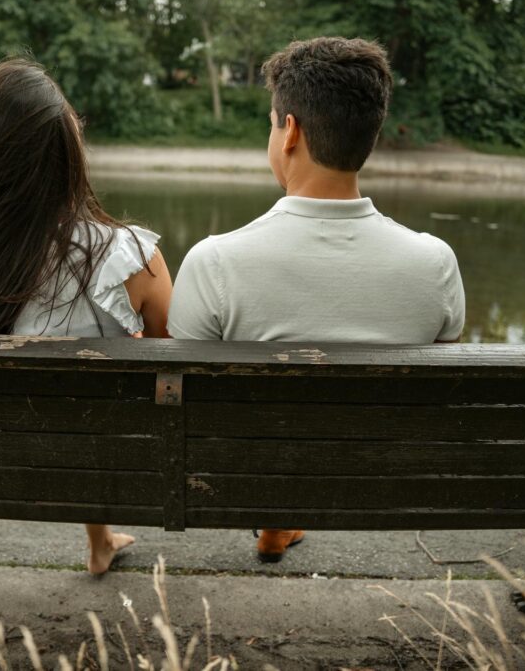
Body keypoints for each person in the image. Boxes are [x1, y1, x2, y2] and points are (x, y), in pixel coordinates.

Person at [168, 37, 465, 563]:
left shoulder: (215, 261)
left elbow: (188, 396)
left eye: (270, 122)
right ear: (369, 134)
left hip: (245, 471)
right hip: (384, 480)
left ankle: (275, 515)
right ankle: (281, 521)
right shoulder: (434, 262)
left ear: (291, 132)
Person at [0, 59, 172, 575]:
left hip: (1, 460)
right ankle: (100, 539)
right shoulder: (129, 257)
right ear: (66, 155)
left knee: (69, 407)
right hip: (115, 454)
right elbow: (175, 362)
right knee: (90, 409)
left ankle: (99, 542)